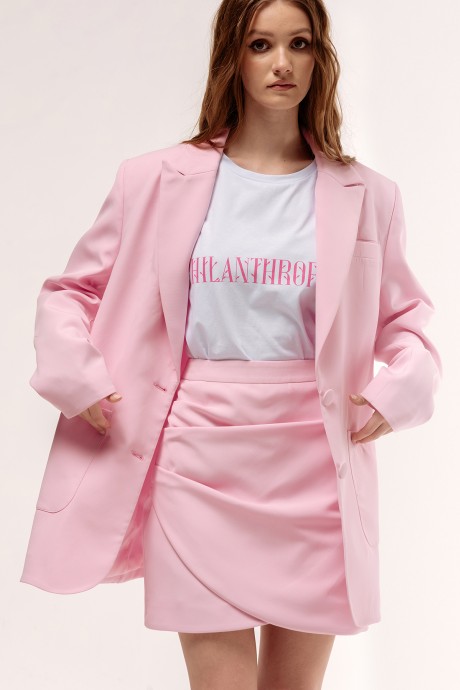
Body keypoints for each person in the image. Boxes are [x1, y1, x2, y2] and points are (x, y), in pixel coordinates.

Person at [21, 1, 442, 688]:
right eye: (260, 45)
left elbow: (409, 319)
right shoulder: (153, 179)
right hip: (197, 459)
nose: (282, 64)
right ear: (232, 57)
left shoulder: (369, 194)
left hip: (315, 466)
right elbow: (72, 291)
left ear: (320, 57)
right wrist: (80, 375)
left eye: (300, 44)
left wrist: (399, 391)